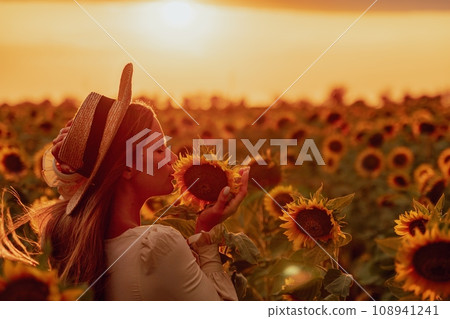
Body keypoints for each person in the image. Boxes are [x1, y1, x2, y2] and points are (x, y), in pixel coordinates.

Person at [5, 63, 250, 300]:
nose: (173, 158)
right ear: (128, 168)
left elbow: (80, 189)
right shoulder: (157, 246)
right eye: (159, 150)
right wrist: (206, 236)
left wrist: (75, 163)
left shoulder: (77, 241)